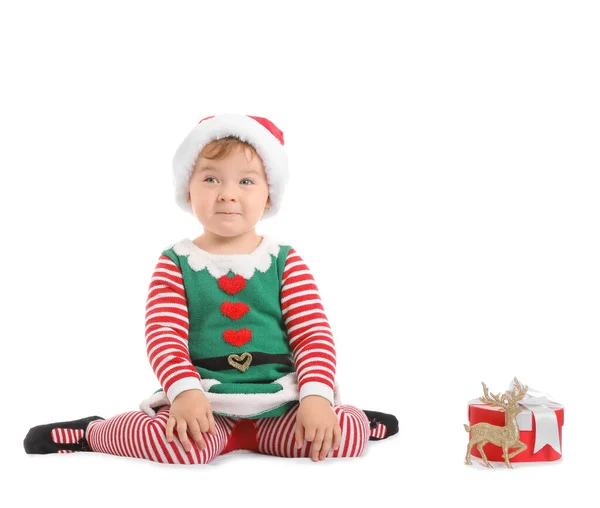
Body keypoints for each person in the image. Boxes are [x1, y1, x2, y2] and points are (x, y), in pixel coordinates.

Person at [23, 114, 398, 464]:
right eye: (211, 179)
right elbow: (164, 335)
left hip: (283, 404)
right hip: (204, 405)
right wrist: (185, 391)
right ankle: (95, 432)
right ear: (188, 190)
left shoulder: (285, 260)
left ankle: (341, 416)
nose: (227, 194)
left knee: (346, 435)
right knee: (182, 449)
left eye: (246, 181)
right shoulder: (176, 262)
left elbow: (312, 335)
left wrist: (315, 396)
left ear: (269, 195)